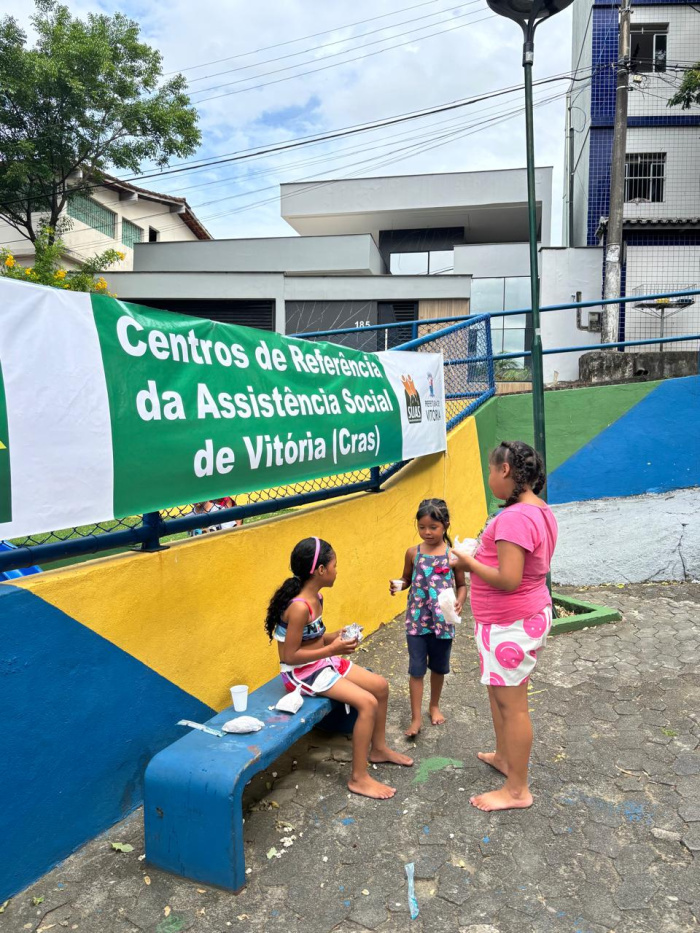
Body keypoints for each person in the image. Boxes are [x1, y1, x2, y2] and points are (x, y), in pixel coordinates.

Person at [450, 440, 558, 812]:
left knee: (514, 706)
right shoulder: (538, 510)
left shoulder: (515, 518)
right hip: (508, 622)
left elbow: (509, 578)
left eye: (491, 470)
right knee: (498, 693)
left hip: (512, 624)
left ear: (506, 471)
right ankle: (503, 756)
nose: (490, 477)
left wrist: (465, 561)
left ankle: (517, 790)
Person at [265, 537, 413, 799]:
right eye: (334, 565)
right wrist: (332, 650)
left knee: (380, 686)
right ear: (320, 570)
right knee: (366, 703)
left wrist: (336, 636)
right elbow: (290, 655)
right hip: (300, 673)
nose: (336, 570)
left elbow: (315, 639)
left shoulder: (317, 597)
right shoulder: (299, 607)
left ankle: (378, 748)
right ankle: (359, 777)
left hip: (319, 661)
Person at [390, 498, 467, 739]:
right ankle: (416, 718)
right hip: (416, 620)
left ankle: (434, 706)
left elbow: (462, 585)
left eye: (432, 527)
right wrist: (398, 585)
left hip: (442, 621)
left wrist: (461, 600)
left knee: (438, 667)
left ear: (445, 525)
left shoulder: (453, 555)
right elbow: (407, 579)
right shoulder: (413, 553)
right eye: (422, 527)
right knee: (416, 668)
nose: (427, 532)